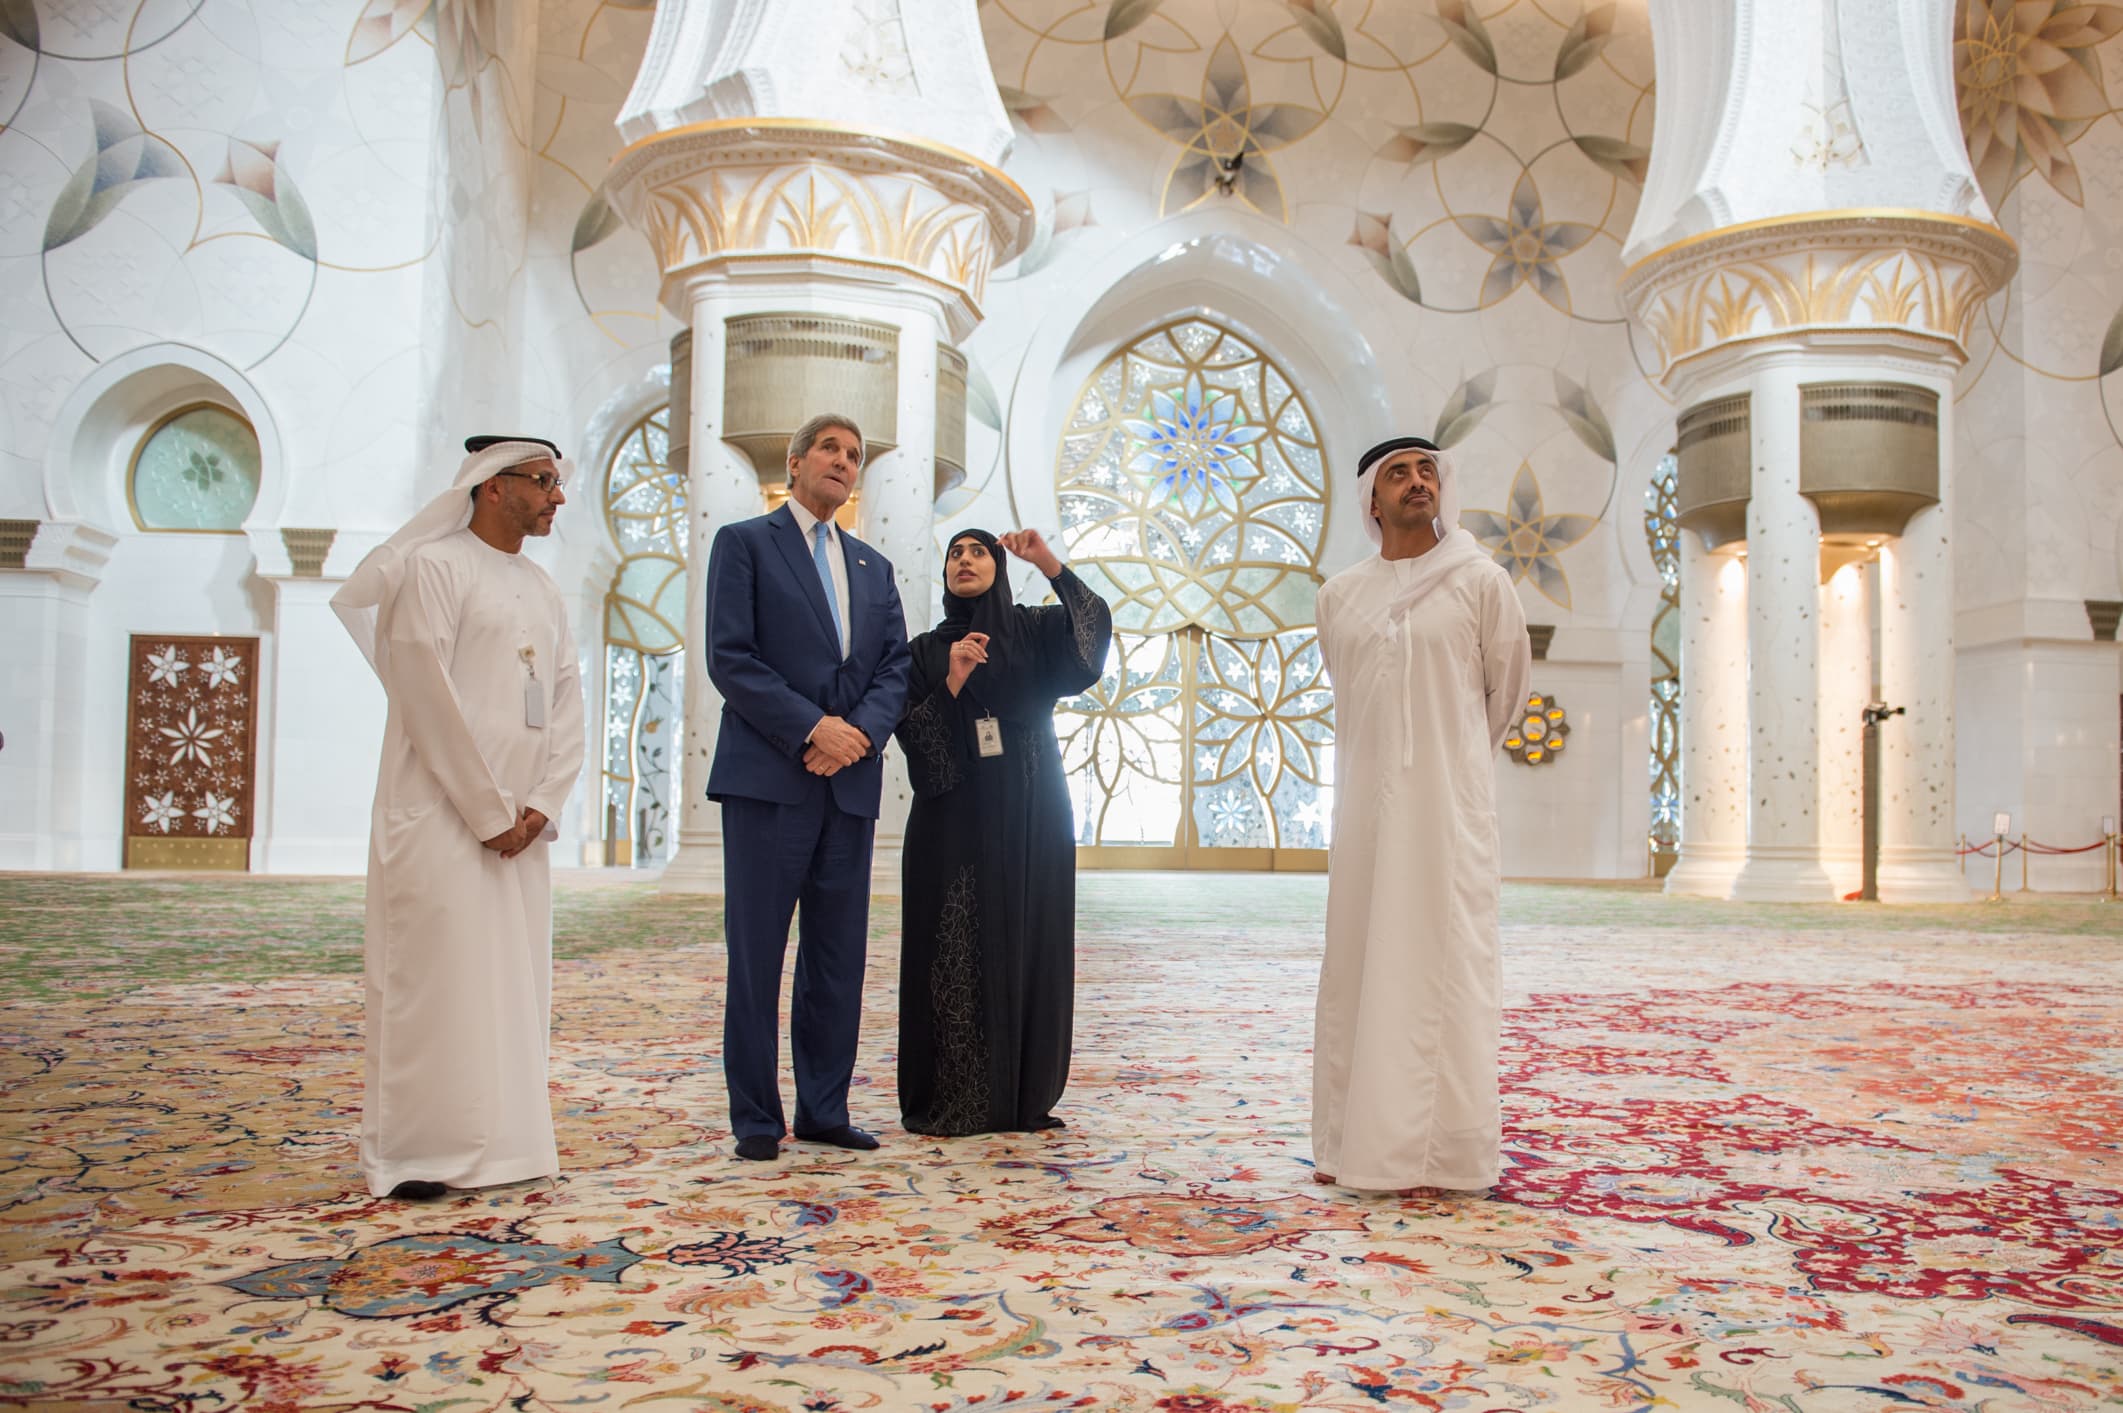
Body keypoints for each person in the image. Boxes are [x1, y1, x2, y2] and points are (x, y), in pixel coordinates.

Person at [330, 435, 586, 1201]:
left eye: (556, 482)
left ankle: (506, 1144)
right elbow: (425, 698)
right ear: (491, 486)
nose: (556, 498)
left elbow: (567, 699)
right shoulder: (430, 569)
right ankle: (420, 1151)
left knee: (510, 981)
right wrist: (486, 812)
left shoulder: (541, 586)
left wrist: (541, 804)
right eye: (542, 481)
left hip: (521, 829)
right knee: (436, 981)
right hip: (440, 818)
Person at [1310, 434, 1530, 1193]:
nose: (1415, 483)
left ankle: (1445, 1152)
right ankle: (1348, 1143)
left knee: (1446, 966)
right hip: (1367, 817)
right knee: (1360, 964)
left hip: (1446, 813)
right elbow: (1352, 691)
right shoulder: (1340, 594)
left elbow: (1504, 691)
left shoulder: (1479, 582)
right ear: (1371, 501)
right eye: (1398, 474)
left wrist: (1449, 761)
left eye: (1426, 470)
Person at [704, 413, 912, 1162]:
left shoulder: (873, 568)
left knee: (835, 957)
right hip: (768, 783)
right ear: (792, 463)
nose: (842, 461)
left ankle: (825, 1108)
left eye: (853, 455)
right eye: (828, 448)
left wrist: (854, 735)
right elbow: (731, 657)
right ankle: (757, 1117)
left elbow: (895, 667)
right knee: (757, 955)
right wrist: (810, 729)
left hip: (848, 787)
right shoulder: (743, 546)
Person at [893, 528, 1112, 1136]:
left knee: (1031, 935)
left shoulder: (1034, 631)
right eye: (954, 554)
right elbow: (920, 750)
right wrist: (956, 678)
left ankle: (1024, 1098)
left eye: (978, 551)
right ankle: (955, 1099)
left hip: (1034, 805)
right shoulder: (923, 653)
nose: (965, 560)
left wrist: (1047, 563)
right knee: (955, 944)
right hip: (953, 819)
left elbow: (1090, 645)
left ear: (999, 564)